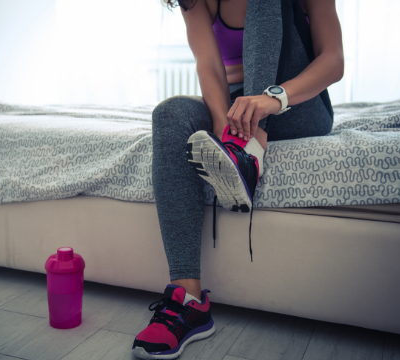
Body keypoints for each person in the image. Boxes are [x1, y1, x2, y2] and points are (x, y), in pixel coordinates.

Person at [131, 0, 344, 358]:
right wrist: (223, 127)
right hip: (232, 106)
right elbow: (210, 65)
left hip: (294, 104)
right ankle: (189, 303)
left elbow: (333, 61)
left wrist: (269, 101)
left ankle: (246, 153)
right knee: (169, 115)